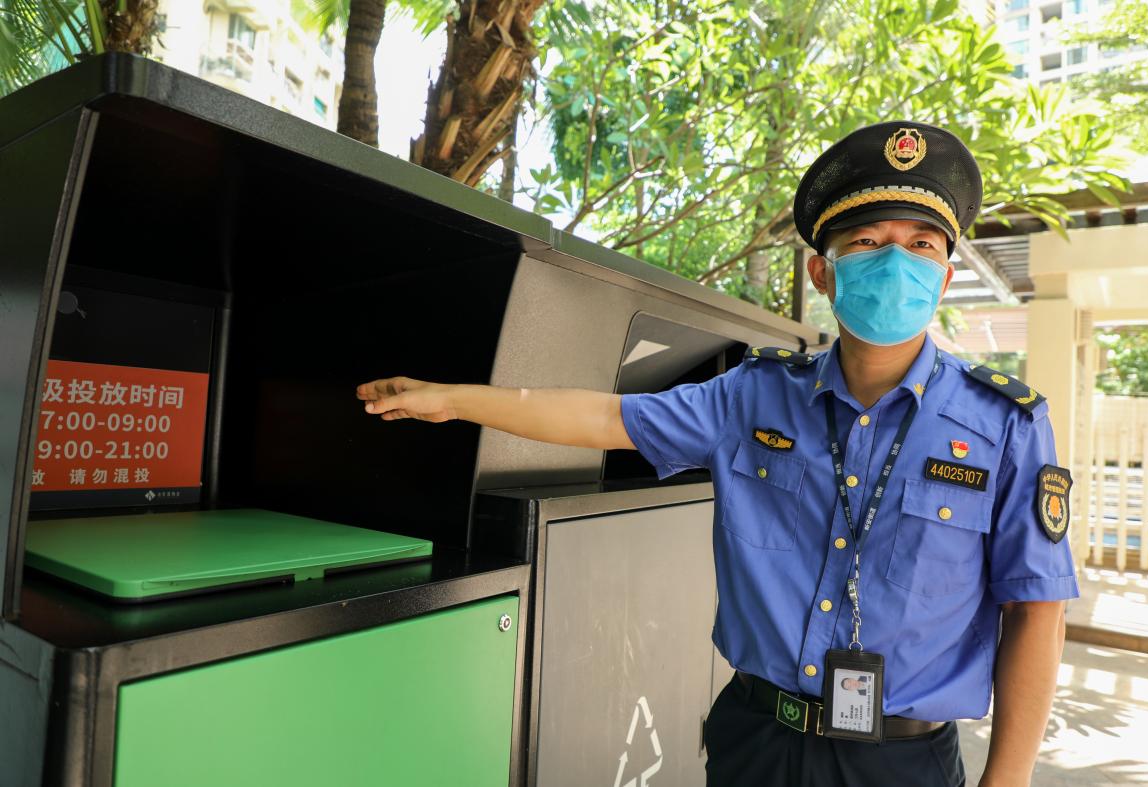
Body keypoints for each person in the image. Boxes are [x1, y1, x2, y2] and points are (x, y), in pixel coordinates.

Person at [356, 120, 1078, 787]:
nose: (895, 261)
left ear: (944, 276)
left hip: (903, 761)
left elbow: (1036, 609)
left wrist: (1006, 781)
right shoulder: (753, 395)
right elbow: (607, 415)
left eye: (921, 244)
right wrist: (456, 399)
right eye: (866, 241)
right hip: (756, 741)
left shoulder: (1004, 424)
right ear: (822, 273)